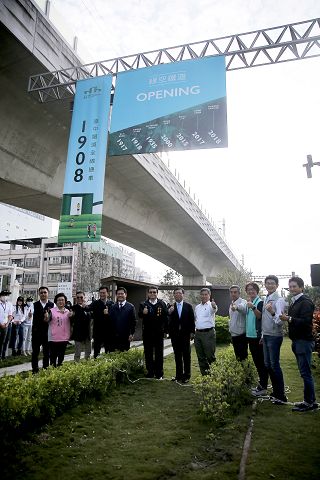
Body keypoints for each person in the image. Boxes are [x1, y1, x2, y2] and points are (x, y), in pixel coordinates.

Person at [280, 276, 318, 412]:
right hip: (297, 341)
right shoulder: (294, 302)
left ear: (301, 287)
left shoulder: (305, 302)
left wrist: (288, 318)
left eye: (294, 286)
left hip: (304, 341)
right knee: (304, 373)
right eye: (290, 287)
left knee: (306, 373)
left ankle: (310, 403)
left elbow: (305, 322)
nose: (292, 289)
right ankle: (309, 401)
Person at [261, 275, 287, 405]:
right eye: (267, 283)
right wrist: (262, 335)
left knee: (274, 365)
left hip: (274, 336)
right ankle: (276, 392)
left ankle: (281, 395)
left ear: (277, 285)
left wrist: (272, 311)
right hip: (266, 335)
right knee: (268, 365)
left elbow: (280, 322)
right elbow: (264, 321)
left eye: (272, 283)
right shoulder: (266, 298)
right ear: (265, 285)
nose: (269, 285)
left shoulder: (279, 300)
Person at [138, 286, 168, 379]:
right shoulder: (143, 304)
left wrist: (166, 331)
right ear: (148, 294)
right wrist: (144, 313)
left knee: (159, 353)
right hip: (147, 333)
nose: (152, 294)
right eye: (150, 292)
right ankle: (150, 372)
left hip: (159, 333)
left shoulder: (162, 303)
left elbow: (165, 318)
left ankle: (159, 373)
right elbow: (139, 315)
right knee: (148, 353)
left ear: (157, 293)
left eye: (154, 292)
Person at [245, 282, 269, 396]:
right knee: (257, 362)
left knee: (260, 363)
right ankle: (261, 385)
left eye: (253, 289)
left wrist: (253, 307)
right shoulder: (249, 302)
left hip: (257, 336)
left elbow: (260, 316)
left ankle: (263, 387)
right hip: (250, 336)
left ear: (257, 291)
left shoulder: (259, 302)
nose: (251, 291)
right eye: (249, 289)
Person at [168, 287, 195, 383]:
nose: (178, 295)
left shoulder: (188, 306)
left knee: (186, 355)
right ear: (174, 295)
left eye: (180, 293)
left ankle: (187, 375)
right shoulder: (171, 306)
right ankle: (178, 375)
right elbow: (168, 321)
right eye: (176, 293)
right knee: (177, 355)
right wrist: (169, 313)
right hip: (175, 335)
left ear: (183, 295)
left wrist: (192, 332)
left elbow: (192, 320)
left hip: (185, 335)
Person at [194, 288, 218, 375]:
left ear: (209, 295)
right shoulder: (197, 307)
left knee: (210, 356)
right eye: (202, 294)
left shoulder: (211, 305)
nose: (204, 296)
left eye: (206, 294)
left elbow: (214, 309)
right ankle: (205, 376)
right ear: (200, 295)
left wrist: (214, 306)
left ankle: (215, 375)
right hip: (198, 334)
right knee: (200, 357)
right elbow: (196, 319)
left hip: (208, 334)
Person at [31, 286, 54, 374]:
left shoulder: (52, 305)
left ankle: (45, 369)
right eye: (41, 292)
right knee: (35, 353)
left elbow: (55, 318)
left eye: (45, 292)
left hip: (47, 333)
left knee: (46, 353)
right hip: (36, 332)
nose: (43, 294)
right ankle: (35, 370)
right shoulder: (34, 305)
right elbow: (29, 317)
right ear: (39, 294)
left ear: (48, 293)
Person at [48, 293, 72, 367]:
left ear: (65, 301)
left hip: (64, 338)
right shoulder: (51, 311)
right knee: (53, 358)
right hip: (53, 338)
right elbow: (47, 320)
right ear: (56, 301)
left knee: (61, 358)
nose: (61, 302)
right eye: (59, 300)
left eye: (62, 300)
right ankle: (52, 373)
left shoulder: (68, 312)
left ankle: (59, 373)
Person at [109, 287, 136, 351]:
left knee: (124, 355)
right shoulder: (113, 307)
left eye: (122, 293)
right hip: (114, 337)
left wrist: (132, 333)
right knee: (114, 356)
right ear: (116, 295)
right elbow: (110, 321)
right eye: (118, 294)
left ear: (125, 295)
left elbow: (133, 321)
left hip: (125, 336)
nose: (120, 295)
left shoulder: (130, 307)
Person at [90, 286, 114, 358]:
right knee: (96, 352)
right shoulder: (95, 303)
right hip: (98, 331)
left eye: (104, 293)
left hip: (108, 332)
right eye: (100, 293)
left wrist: (108, 314)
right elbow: (88, 308)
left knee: (108, 352)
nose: (102, 294)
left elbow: (114, 317)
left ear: (108, 293)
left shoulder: (112, 303)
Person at [71, 291, 92, 361]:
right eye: (78, 297)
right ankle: (76, 369)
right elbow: (72, 320)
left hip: (87, 334)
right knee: (77, 354)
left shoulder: (89, 307)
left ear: (84, 298)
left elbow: (90, 319)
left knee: (88, 353)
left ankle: (87, 367)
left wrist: (85, 308)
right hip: (78, 334)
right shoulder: (73, 308)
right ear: (76, 298)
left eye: (81, 297)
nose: (79, 299)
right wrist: (71, 316)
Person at [229, 285, 248, 361]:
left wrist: (236, 307)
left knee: (243, 356)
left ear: (239, 293)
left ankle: (246, 371)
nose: (233, 294)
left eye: (235, 292)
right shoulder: (231, 303)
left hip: (241, 335)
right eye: (231, 292)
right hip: (234, 334)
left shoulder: (243, 301)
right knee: (238, 356)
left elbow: (243, 308)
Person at [0, 290, 13, 360]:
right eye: (5, 295)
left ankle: (3, 355)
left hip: (7, 325)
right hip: (1, 324)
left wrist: (7, 324)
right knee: (1, 341)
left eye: (7, 295)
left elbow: (10, 315)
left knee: (6, 340)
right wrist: (1, 324)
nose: (6, 296)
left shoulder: (9, 304)